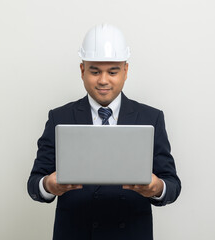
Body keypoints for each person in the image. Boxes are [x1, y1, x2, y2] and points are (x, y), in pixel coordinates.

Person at [27, 23, 181, 240]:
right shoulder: (59, 117)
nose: (103, 80)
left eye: (113, 71)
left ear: (125, 71)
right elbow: (34, 183)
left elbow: (172, 184)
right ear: (82, 71)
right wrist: (48, 185)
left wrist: (157, 188)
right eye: (95, 71)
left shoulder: (151, 118)